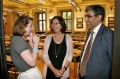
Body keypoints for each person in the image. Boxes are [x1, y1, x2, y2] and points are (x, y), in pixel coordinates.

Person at [79, 5, 114, 79]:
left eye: (89, 16)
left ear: (99, 17)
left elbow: (113, 62)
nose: (85, 20)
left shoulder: (109, 34)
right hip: (83, 76)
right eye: (85, 16)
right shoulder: (89, 32)